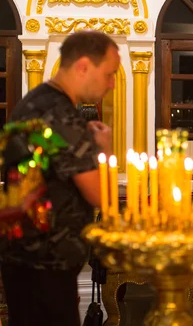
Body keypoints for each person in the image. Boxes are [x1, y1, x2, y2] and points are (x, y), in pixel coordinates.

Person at [0, 31, 119, 326]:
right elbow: (100, 195)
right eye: (109, 74)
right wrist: (105, 150)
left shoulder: (35, 101)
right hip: (45, 261)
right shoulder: (61, 115)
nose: (112, 83)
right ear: (83, 67)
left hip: (25, 256)